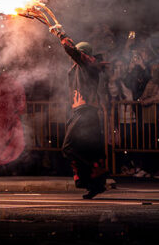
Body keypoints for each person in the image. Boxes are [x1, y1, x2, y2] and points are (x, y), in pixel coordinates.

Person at [49, 22, 109, 199]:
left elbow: (72, 51)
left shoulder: (88, 66)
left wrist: (61, 34)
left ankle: (93, 177)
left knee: (69, 148)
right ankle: (94, 184)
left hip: (85, 113)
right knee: (87, 149)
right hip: (81, 113)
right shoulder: (76, 68)